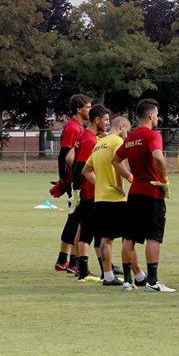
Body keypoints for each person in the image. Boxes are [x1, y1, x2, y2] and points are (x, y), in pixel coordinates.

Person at [114, 99, 174, 293]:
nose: (157, 118)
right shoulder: (152, 135)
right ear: (150, 115)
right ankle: (153, 281)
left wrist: (130, 177)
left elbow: (115, 160)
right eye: (156, 115)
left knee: (129, 237)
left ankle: (127, 281)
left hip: (135, 193)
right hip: (152, 192)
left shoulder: (130, 137)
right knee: (153, 237)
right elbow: (157, 156)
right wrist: (164, 178)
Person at [83, 115, 134, 288]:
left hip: (100, 198)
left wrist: (100, 184)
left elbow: (86, 171)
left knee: (106, 238)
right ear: (121, 127)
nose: (127, 135)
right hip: (115, 198)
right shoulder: (117, 142)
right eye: (127, 130)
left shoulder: (98, 144)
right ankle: (137, 274)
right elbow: (119, 165)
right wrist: (126, 181)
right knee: (128, 237)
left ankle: (108, 275)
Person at [69, 104, 110, 282]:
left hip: (86, 192)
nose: (108, 123)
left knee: (84, 229)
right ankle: (84, 271)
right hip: (89, 193)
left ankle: (82, 269)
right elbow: (79, 168)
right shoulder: (89, 140)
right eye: (106, 120)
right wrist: (78, 191)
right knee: (89, 231)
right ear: (97, 120)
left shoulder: (87, 136)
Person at [53, 93, 91, 273]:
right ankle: (69, 261)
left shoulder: (80, 128)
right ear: (79, 109)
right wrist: (64, 181)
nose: (90, 110)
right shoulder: (72, 128)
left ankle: (67, 261)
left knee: (76, 219)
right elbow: (64, 156)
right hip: (74, 181)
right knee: (76, 219)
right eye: (88, 107)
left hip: (77, 179)